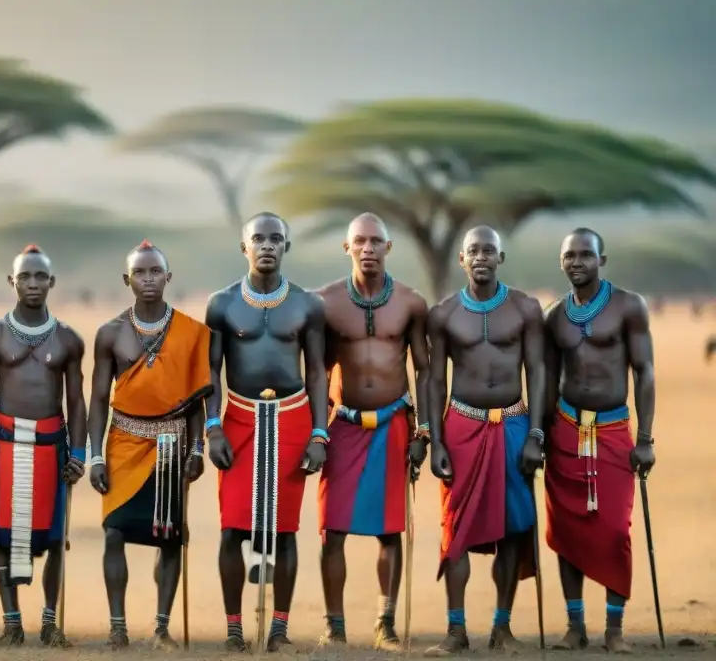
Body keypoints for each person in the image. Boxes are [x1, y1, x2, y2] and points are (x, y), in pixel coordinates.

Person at [205, 212, 329, 652]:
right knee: (232, 528)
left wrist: (319, 434)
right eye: (258, 238)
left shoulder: (308, 305)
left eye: (276, 238)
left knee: (285, 529)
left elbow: (316, 372)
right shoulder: (221, 304)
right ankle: (235, 628)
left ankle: (278, 628)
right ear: (244, 247)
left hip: (292, 416)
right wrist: (213, 427)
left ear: (286, 247)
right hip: (238, 416)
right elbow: (211, 372)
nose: (267, 245)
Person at [424, 225, 547, 656]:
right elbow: (435, 379)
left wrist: (536, 433)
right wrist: (436, 440)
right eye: (473, 250)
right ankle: (456, 630)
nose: (480, 257)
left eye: (488, 250)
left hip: (513, 424)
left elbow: (538, 372)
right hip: (462, 425)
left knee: (513, 529)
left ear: (500, 258)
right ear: (461, 259)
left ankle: (502, 626)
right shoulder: (443, 314)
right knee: (454, 530)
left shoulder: (525, 308)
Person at [313, 213, 431, 648]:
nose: (367, 248)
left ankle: (386, 623)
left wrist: (423, 434)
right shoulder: (323, 302)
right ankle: (335, 626)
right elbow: (316, 373)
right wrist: (315, 433)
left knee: (389, 529)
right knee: (333, 529)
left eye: (375, 241)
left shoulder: (411, 303)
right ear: (347, 248)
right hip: (342, 425)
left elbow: (427, 372)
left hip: (393, 424)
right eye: (359, 241)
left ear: (388, 248)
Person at [88, 241, 212, 649]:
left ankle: (161, 627)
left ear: (168, 277)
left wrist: (196, 451)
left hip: (172, 445)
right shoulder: (109, 333)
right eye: (139, 273)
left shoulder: (193, 333)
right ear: (127, 280)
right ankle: (117, 626)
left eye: (155, 271)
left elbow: (196, 400)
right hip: (122, 444)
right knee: (113, 532)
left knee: (171, 536)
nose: (148, 279)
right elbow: (97, 401)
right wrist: (94, 457)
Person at [543, 228, 656, 654]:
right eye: (569, 255)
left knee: (613, 531)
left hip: (612, 431)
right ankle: (576, 626)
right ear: (561, 261)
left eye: (585, 255)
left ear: (601, 260)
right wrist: (539, 435)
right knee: (567, 530)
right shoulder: (554, 316)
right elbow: (546, 381)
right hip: (566, 430)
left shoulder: (629, 307)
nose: (577, 262)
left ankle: (615, 629)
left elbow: (644, 372)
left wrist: (644, 439)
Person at [0, 245, 88, 648]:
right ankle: (11, 623)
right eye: (25, 277)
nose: (33, 284)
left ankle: (50, 623)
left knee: (55, 538)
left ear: (51, 282)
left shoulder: (69, 339)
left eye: (41, 277)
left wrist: (79, 454)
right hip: (5, 445)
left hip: (51, 447)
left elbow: (76, 400)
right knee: (4, 536)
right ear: (12, 281)